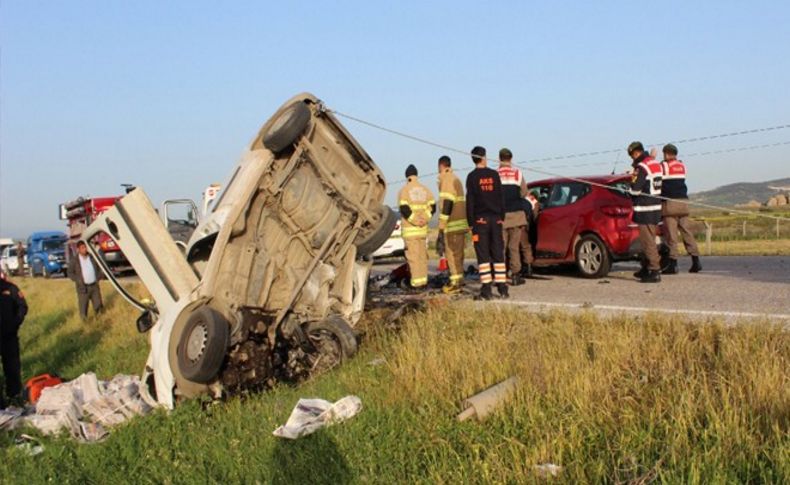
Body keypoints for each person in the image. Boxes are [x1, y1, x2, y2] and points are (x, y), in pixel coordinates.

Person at [466, 146, 508, 300]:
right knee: (498, 253)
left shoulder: (471, 177)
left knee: (483, 255)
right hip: (496, 220)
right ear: (484, 157)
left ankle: (486, 290)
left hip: (480, 221)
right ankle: (503, 288)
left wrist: (470, 222)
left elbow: (470, 201)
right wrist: (501, 216)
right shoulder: (494, 174)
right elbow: (500, 196)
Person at [660, 144, 702, 274]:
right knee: (686, 232)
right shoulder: (682, 166)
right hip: (683, 202)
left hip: (670, 204)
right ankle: (696, 260)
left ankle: (673, 264)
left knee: (672, 235)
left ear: (666, 154)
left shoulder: (664, 166)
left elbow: (654, 174)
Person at [627, 141, 663, 283]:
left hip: (645, 209)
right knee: (647, 240)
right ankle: (645, 267)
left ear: (636, 153)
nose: (632, 159)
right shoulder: (654, 164)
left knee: (648, 242)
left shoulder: (642, 167)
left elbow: (636, 189)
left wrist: (629, 185)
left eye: (632, 156)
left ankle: (654, 271)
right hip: (655, 208)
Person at [398, 165, 435, 291]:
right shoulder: (426, 190)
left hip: (410, 231)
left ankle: (415, 285)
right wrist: (424, 218)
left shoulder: (404, 190)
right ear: (416, 175)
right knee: (422, 257)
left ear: (407, 176)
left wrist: (415, 220)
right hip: (422, 230)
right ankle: (423, 282)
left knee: (413, 258)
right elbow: (433, 207)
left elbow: (404, 209)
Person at [436, 155, 468, 294]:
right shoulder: (456, 178)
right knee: (459, 254)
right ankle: (460, 280)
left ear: (441, 166)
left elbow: (447, 202)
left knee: (452, 254)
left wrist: (442, 225)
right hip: (460, 223)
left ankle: (455, 284)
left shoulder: (447, 180)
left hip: (452, 223)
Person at [496, 148, 529, 286]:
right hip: (516, 216)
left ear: (499, 159)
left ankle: (500, 276)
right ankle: (515, 275)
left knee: (501, 248)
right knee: (514, 247)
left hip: (501, 216)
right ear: (511, 158)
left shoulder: (495, 174)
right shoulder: (517, 173)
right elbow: (524, 193)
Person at [0, 271, 28, 406]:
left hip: (9, 336)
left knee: (12, 368)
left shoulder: (11, 288)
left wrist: (16, 322)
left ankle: (15, 397)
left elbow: (22, 306)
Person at [68, 241, 103, 319]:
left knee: (98, 305)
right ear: (78, 249)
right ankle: (85, 324)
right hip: (83, 288)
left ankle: (99, 320)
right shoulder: (74, 260)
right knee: (83, 308)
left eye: (85, 247)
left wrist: (100, 275)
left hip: (94, 286)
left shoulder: (92, 257)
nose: (85, 249)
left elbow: (99, 267)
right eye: (82, 248)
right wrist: (78, 279)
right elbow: (70, 273)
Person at [519, 192, 539, 277]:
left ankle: (526, 268)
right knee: (526, 246)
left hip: (522, 225)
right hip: (529, 225)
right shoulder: (535, 202)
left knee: (524, 246)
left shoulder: (524, 201)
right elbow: (535, 216)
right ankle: (528, 267)